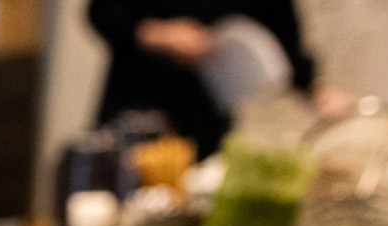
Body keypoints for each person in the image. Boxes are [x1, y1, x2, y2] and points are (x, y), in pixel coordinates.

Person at [88, 0, 318, 156]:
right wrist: (161, 34)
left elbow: (285, 37)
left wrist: (313, 90)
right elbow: (102, 11)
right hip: (135, 109)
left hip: (204, 122)